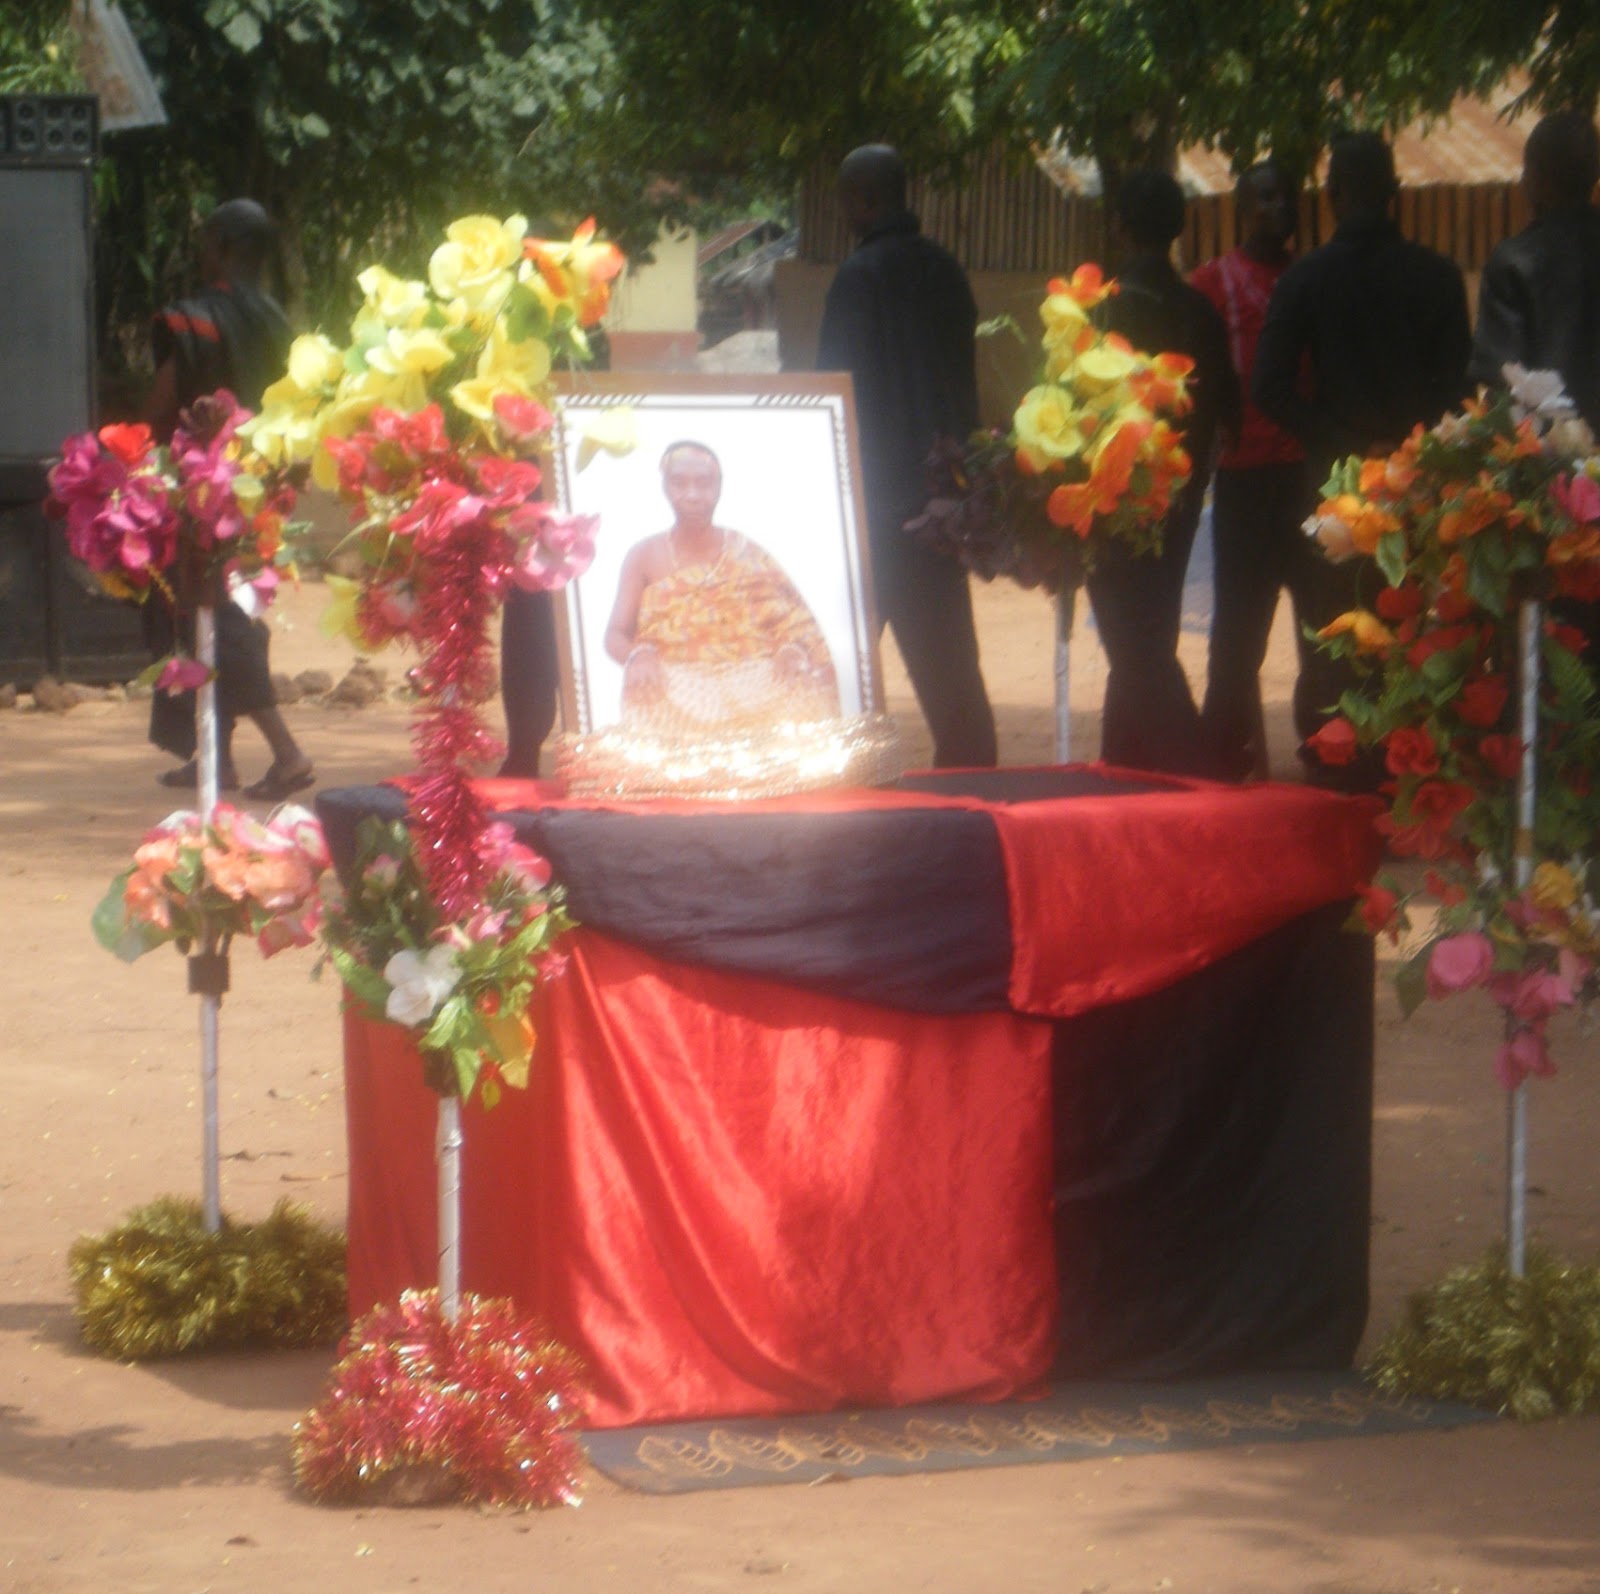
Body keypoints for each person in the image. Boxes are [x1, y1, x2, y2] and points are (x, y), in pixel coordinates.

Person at [1253, 132, 1471, 783]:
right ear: (1396, 195)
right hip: (1416, 489)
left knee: (1332, 636)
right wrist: (1409, 441)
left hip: (1334, 487)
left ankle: (1334, 778)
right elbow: (1458, 388)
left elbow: (1268, 386)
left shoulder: (1304, 279)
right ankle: (1401, 775)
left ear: (1333, 195)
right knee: (1407, 636)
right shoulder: (1436, 277)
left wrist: (1334, 437)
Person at [813, 143, 998, 768]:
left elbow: (833, 391)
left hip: (870, 503)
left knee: (832, 671)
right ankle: (974, 799)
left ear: (861, 201)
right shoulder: (947, 271)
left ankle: (824, 808)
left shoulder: (857, 277)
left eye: (845, 200)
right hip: (939, 501)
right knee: (952, 672)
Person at [147, 198, 313, 801]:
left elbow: (162, 405)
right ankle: (213, 754)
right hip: (263, 489)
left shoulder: (193, 318)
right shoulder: (281, 324)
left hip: (202, 488)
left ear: (218, 244)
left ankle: (287, 753)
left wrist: (146, 454)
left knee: (210, 614)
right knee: (224, 611)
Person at [1083, 168, 1240, 776]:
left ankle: (1191, 765)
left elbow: (1076, 399)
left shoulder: (1103, 309)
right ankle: (1125, 763)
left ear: (1118, 227)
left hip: (1111, 490)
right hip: (1178, 492)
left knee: (1134, 641)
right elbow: (1230, 413)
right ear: (1178, 228)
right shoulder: (1199, 309)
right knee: (1150, 629)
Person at [1191, 161, 1313, 779]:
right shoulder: (1214, 282)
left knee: (1322, 630)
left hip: (1309, 481)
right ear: (1243, 208)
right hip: (1243, 479)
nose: (1279, 208)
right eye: (1265, 197)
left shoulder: (1314, 278)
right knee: (1238, 632)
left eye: (1287, 196)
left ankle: (1326, 752)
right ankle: (1223, 759)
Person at [604, 441, 840, 733]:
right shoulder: (644, 555)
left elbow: (795, 624)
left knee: (803, 686)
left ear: (719, 488)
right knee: (646, 690)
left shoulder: (747, 553)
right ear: (665, 487)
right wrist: (638, 656)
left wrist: (792, 650)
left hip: (756, 681)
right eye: (679, 483)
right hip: (677, 686)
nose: (692, 495)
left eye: (704, 483)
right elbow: (615, 634)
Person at [1471, 110, 1600, 425]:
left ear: (1538, 179)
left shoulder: (1515, 261)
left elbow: (1499, 380)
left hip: (1550, 461)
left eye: (1526, 170)